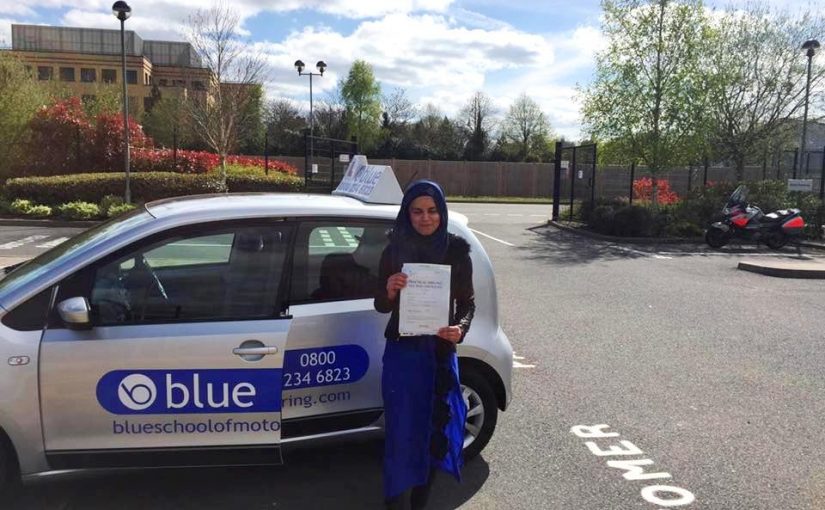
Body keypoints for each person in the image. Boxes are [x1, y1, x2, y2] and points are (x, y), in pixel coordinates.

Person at [374, 180, 475, 509]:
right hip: (403, 355)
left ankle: (421, 502)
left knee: (434, 431)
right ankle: (394, 501)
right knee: (401, 432)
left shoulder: (457, 252)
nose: (425, 218)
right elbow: (381, 305)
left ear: (442, 213)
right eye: (417, 211)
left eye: (432, 211)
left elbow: (467, 304)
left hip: (439, 355)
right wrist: (389, 289)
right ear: (407, 213)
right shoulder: (394, 250)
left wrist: (460, 328)